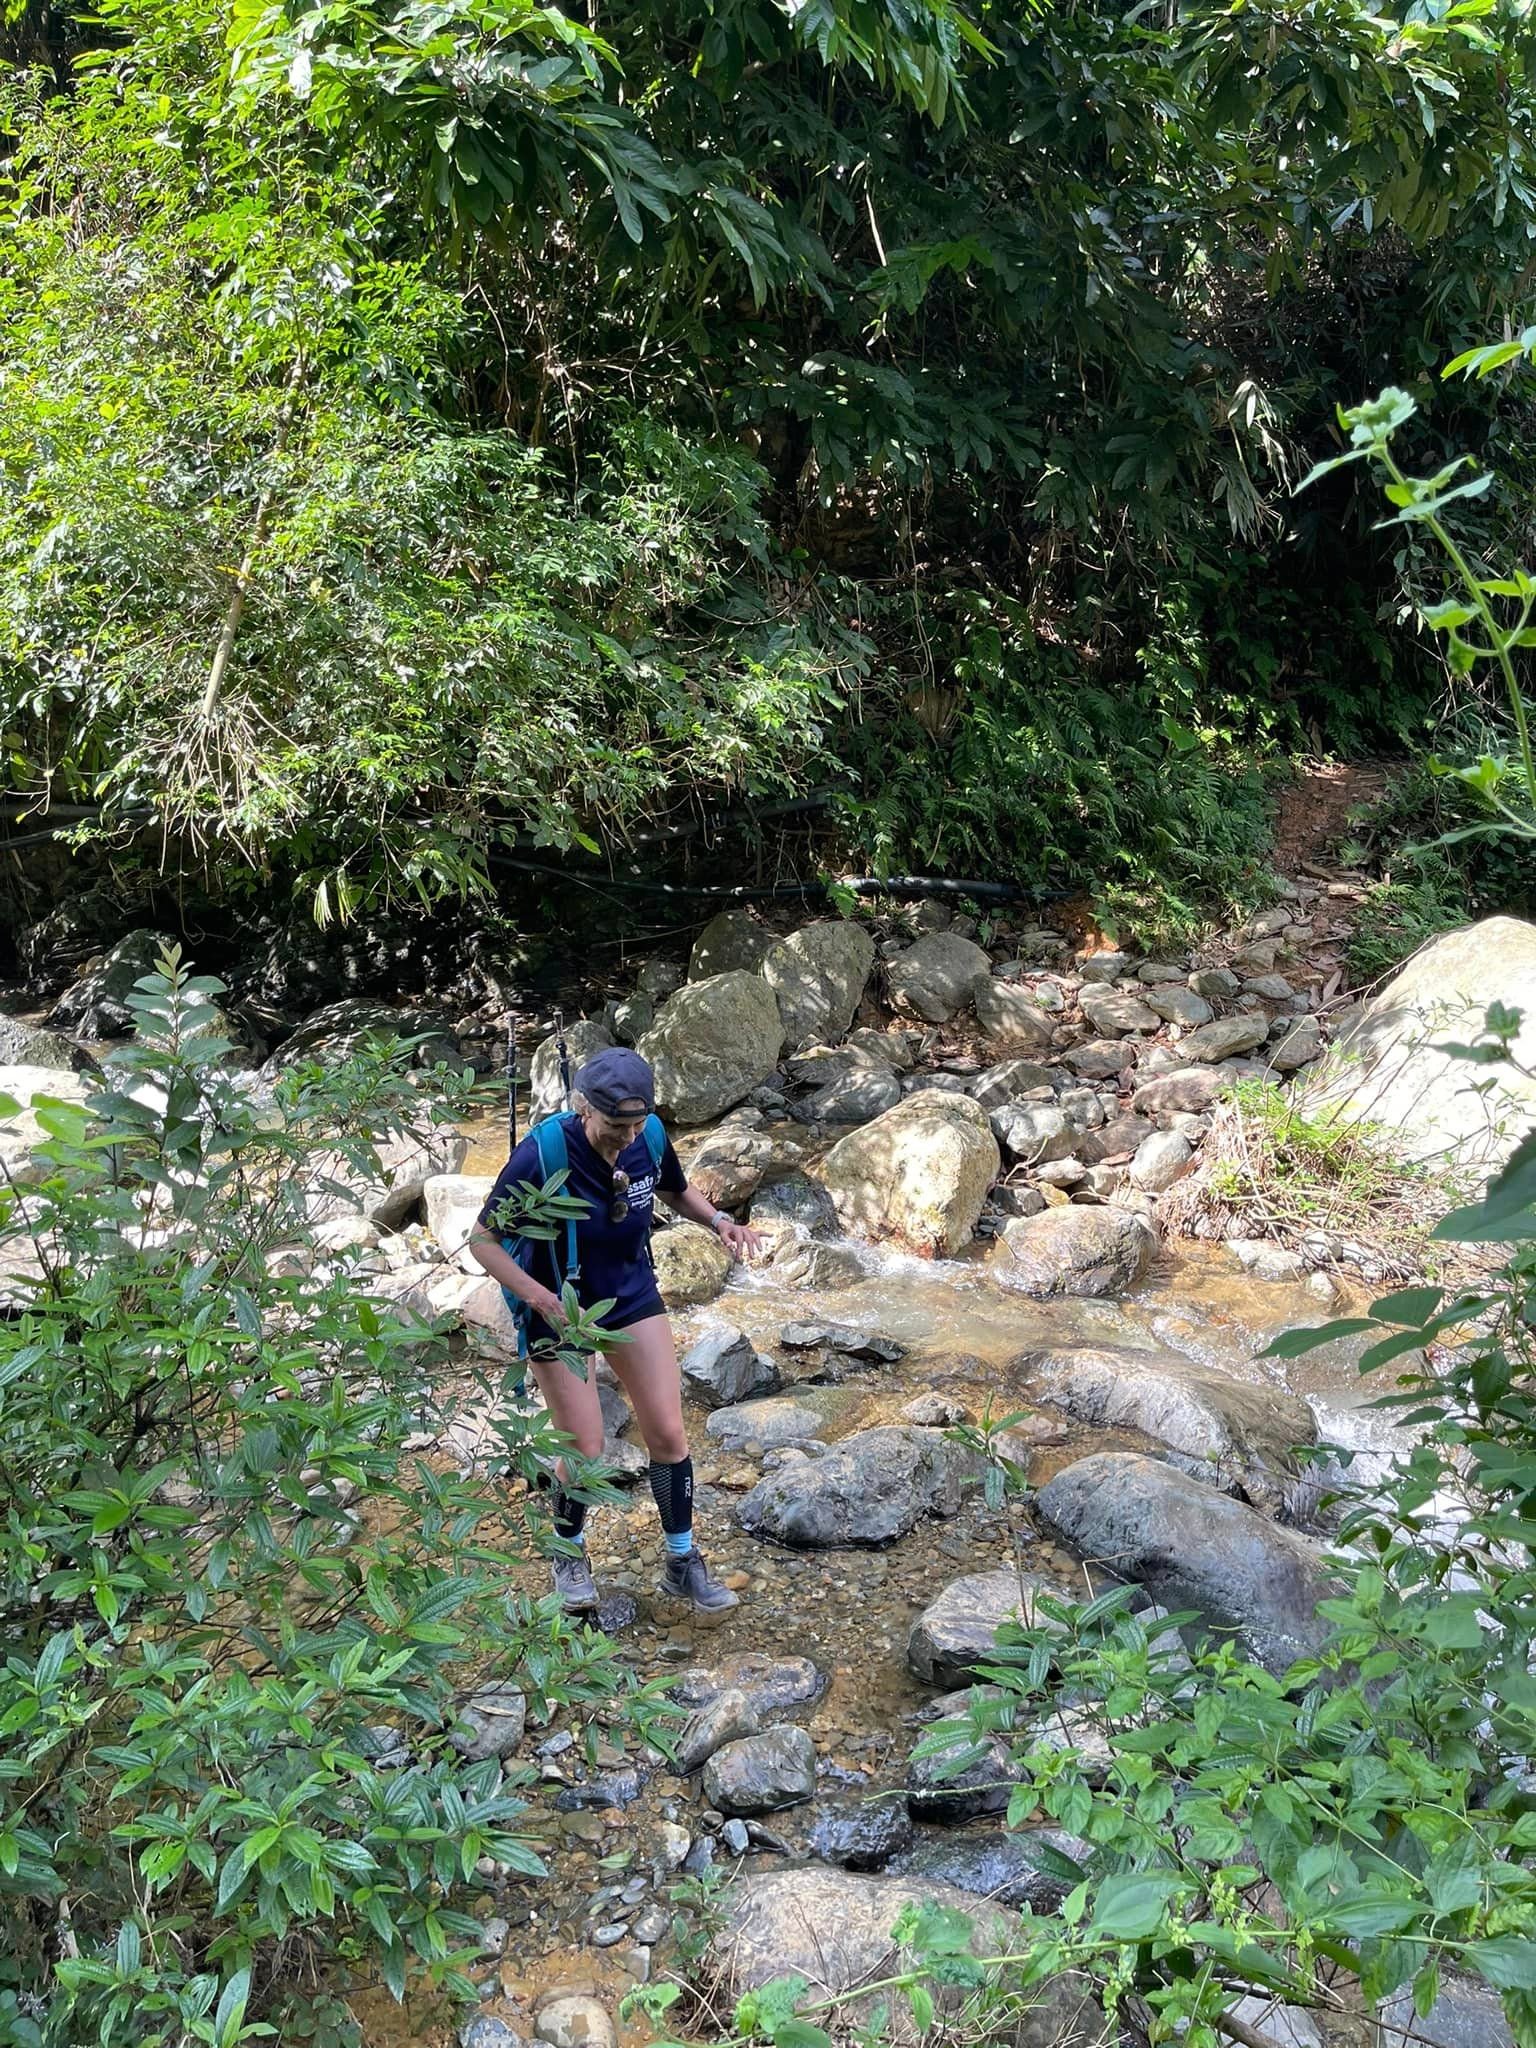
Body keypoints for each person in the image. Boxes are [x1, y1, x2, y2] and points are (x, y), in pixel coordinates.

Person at [468, 1045, 762, 1620]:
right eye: (614, 1125)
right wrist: (536, 1296)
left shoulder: (649, 1134)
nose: (627, 1137)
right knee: (585, 1447)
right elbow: (483, 1240)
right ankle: (569, 1554)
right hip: (559, 1306)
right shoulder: (542, 1153)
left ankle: (681, 1563)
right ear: (583, 1108)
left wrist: (721, 1221)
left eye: (635, 1124)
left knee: (670, 1436)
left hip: (630, 1291)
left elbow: (674, 1190)